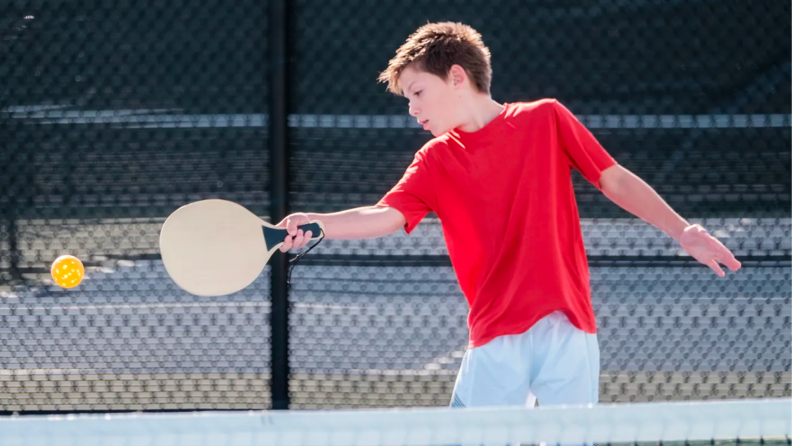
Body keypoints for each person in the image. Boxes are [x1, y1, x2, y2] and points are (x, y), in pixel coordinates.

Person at [276, 22, 741, 409]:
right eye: (407, 100)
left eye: (417, 92)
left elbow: (612, 177)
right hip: (496, 334)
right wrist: (318, 223)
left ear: (457, 77)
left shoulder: (546, 119)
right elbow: (386, 214)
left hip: (570, 328)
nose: (412, 108)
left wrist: (682, 230)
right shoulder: (435, 159)